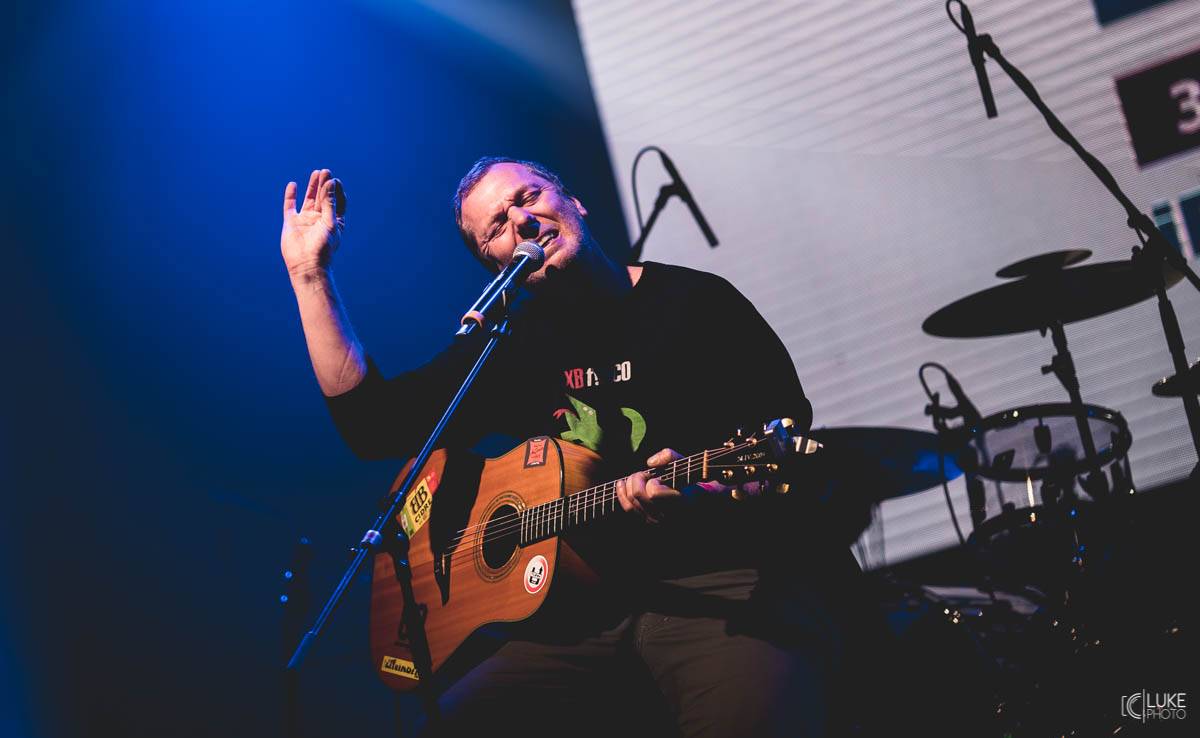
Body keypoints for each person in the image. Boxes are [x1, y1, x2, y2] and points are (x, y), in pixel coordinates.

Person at [281, 159, 872, 737]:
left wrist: (713, 488)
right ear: (495, 262)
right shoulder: (509, 344)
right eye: (496, 225)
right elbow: (375, 427)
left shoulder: (697, 302)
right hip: (580, 612)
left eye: (529, 196)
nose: (522, 219)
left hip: (722, 584)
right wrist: (311, 277)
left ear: (573, 203)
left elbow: (780, 435)